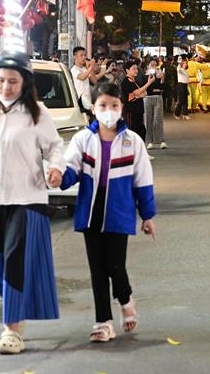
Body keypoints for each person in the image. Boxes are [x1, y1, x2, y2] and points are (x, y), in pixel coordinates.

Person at [0, 51, 65, 355]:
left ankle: (12, 330)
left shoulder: (37, 113)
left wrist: (55, 169)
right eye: (1, 80)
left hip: (27, 198)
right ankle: (17, 305)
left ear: (25, 82)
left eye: (13, 81)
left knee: (16, 260)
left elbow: (55, 147)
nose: (6, 86)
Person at [61, 82, 156, 342]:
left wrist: (147, 215)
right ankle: (103, 322)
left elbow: (143, 180)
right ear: (93, 109)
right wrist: (58, 176)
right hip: (90, 210)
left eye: (114, 105)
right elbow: (70, 171)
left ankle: (126, 300)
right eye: (103, 105)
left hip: (119, 209)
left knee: (115, 266)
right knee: (97, 269)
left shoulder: (132, 141)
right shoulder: (83, 139)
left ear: (121, 108)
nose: (108, 110)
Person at [120, 60, 154, 137]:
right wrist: (148, 83)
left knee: (141, 131)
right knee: (133, 132)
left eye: (137, 68)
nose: (136, 71)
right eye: (134, 69)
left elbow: (144, 93)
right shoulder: (125, 82)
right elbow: (137, 93)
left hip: (139, 110)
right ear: (127, 70)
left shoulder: (136, 81)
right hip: (131, 111)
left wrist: (139, 93)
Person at [142, 58, 167, 149]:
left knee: (158, 119)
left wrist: (162, 78)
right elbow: (147, 89)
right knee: (148, 119)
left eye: (155, 65)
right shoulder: (144, 76)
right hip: (148, 98)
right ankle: (149, 141)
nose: (154, 67)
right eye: (152, 65)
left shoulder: (159, 75)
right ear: (148, 66)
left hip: (158, 98)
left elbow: (162, 88)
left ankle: (160, 140)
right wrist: (154, 87)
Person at [71, 47, 104, 114]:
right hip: (79, 101)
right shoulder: (74, 69)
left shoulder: (85, 69)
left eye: (85, 55)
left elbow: (94, 81)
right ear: (75, 56)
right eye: (81, 55)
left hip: (87, 99)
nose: (84, 57)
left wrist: (89, 67)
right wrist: (91, 67)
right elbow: (82, 77)